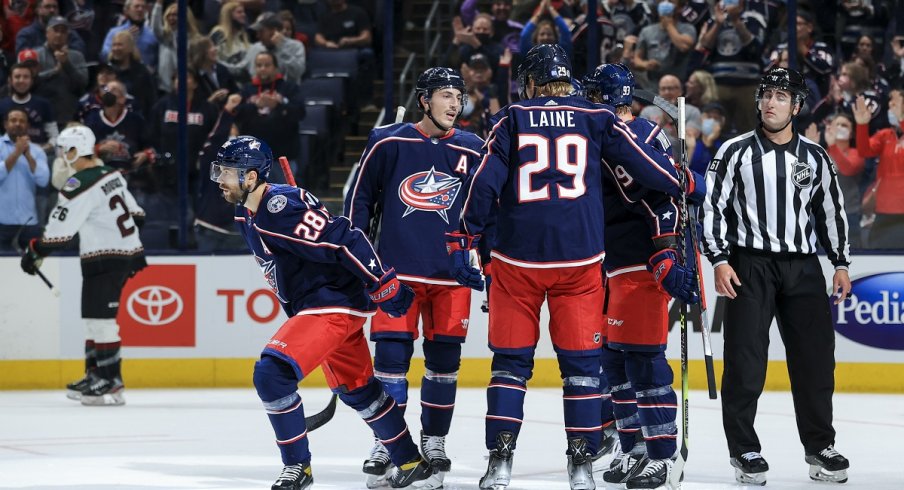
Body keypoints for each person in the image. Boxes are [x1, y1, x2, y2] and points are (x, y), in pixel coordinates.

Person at [450, 44, 694, 490]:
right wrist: (685, 182)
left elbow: (483, 183)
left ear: (532, 81)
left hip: (515, 260)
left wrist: (463, 237)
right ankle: (580, 465)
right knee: (582, 371)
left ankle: (500, 463)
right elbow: (644, 167)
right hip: (580, 262)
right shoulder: (596, 117)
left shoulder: (511, 116)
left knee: (509, 365)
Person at [210, 135, 437, 490]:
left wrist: (382, 282)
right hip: (319, 305)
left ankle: (298, 467)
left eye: (226, 172)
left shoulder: (278, 207)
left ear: (251, 177)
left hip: (330, 305)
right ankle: (410, 461)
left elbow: (346, 237)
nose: (219, 179)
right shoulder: (247, 211)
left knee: (272, 374)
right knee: (359, 390)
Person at [702, 67, 852, 486]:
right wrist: (719, 259)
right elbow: (712, 208)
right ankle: (744, 450)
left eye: (782, 97)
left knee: (816, 362)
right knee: (746, 362)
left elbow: (831, 213)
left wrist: (840, 263)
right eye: (767, 95)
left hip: (803, 268)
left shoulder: (816, 157)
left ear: (797, 106)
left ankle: (820, 446)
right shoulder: (733, 152)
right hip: (749, 266)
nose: (771, 102)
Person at [344, 67, 485, 488]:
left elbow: (487, 210)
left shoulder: (473, 148)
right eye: (445, 95)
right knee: (390, 365)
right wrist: (358, 263)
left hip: (451, 277)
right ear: (424, 100)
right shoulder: (388, 141)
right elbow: (359, 204)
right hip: (395, 276)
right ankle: (387, 442)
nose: (455, 103)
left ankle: (435, 440)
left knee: (444, 366)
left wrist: (487, 262)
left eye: (459, 96)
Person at [583, 62, 701, 489]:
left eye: (591, 96)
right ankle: (632, 447)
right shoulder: (604, 137)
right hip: (613, 263)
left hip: (643, 261)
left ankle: (662, 455)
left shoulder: (634, 137)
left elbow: (665, 195)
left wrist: (666, 253)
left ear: (605, 98)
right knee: (614, 363)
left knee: (645, 364)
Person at [20, 125, 146, 406]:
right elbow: (138, 215)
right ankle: (95, 374)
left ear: (75, 151)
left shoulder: (79, 185)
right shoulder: (112, 175)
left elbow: (58, 234)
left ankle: (111, 381)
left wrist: (35, 251)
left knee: (102, 321)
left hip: (105, 258)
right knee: (93, 319)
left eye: (65, 151)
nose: (63, 156)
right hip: (116, 256)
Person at [0, 109, 49, 251]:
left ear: (27, 125)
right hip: (2, 222)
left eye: (22, 121)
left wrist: (27, 155)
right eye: (13, 120)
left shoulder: (37, 151)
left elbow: (43, 180)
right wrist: (16, 153)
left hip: (29, 223)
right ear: (5, 124)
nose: (17, 124)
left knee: (31, 269)